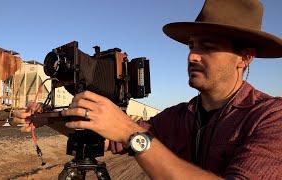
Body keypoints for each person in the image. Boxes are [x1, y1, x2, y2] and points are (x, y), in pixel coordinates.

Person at [14, 0, 282, 179]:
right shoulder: (177, 117)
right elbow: (106, 138)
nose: (192, 56)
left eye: (208, 47)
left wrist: (132, 133)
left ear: (245, 57)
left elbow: (130, 135)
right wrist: (44, 118)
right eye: (191, 46)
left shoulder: (271, 117)